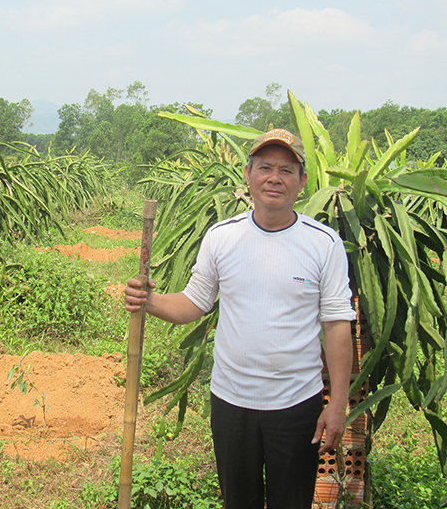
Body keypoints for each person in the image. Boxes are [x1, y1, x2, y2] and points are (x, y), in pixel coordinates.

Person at [124, 128, 355, 509]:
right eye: (265, 167)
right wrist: (149, 301)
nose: (274, 178)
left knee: (292, 502)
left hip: (296, 405)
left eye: (286, 169)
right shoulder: (222, 238)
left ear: (303, 181)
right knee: (238, 502)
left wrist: (337, 404)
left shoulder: (323, 243)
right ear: (248, 175)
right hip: (232, 403)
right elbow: (194, 303)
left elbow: (336, 326)